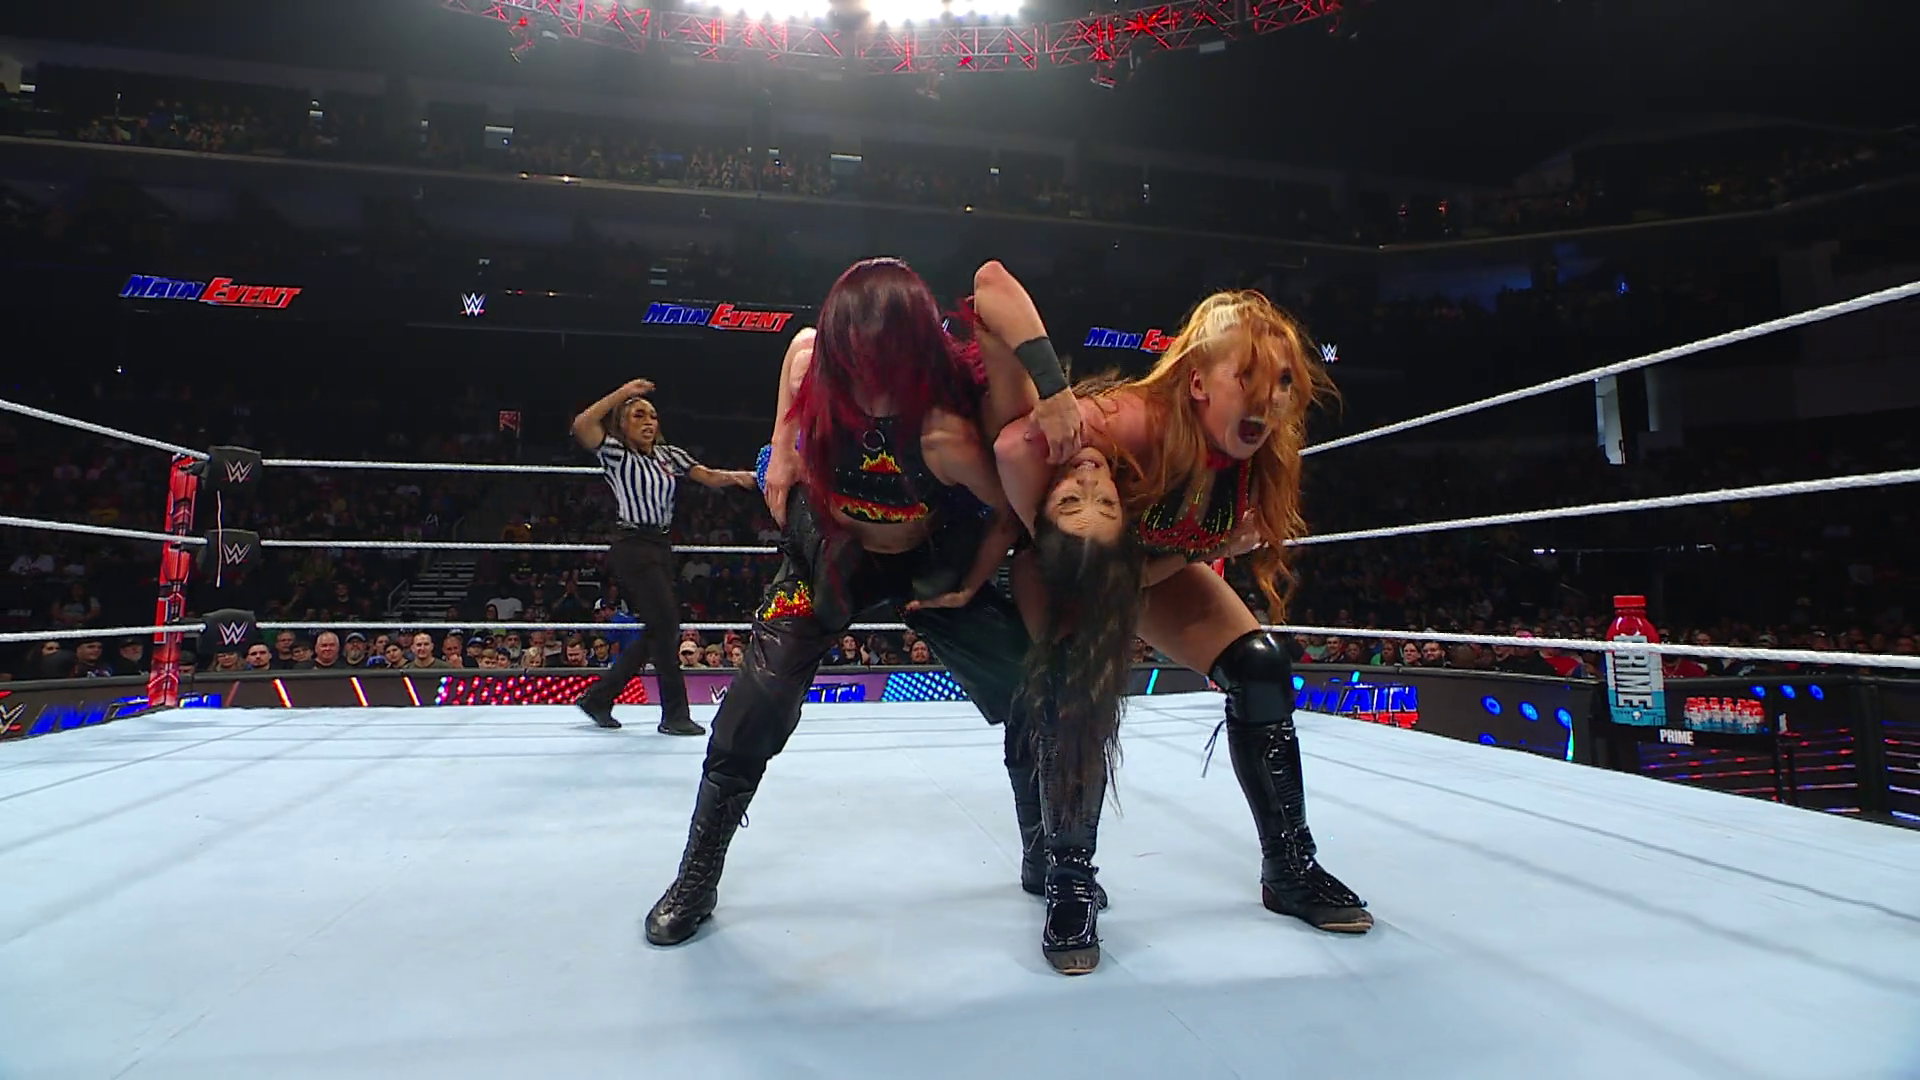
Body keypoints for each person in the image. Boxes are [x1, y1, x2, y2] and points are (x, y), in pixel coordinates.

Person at [644, 256, 1081, 946]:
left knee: (1031, 685)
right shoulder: (813, 366)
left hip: (930, 562)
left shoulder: (947, 431)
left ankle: (1042, 849)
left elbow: (1008, 510)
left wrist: (973, 581)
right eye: (858, 368)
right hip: (832, 554)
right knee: (755, 700)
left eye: (887, 370)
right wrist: (780, 443)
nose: (872, 389)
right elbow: (798, 347)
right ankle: (697, 874)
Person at [995, 289, 1369, 974]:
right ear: (1197, 383)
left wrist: (1179, 558)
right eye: (1247, 377)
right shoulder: (1133, 422)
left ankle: (1290, 867)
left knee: (1260, 665)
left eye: (1283, 381)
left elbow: (1167, 560)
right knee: (1075, 680)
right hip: (1070, 570)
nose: (1269, 399)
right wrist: (1055, 545)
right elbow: (1016, 445)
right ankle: (1068, 880)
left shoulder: (1259, 454)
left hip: (1150, 568)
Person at [570, 381, 757, 734]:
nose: (648, 422)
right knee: (666, 626)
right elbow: (582, 424)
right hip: (632, 544)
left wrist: (744, 477)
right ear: (622, 424)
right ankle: (673, 714)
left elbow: (709, 476)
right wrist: (624, 393)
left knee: (660, 627)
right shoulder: (616, 453)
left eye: (653, 416)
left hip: (660, 545)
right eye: (638, 415)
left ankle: (599, 698)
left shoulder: (669, 455)